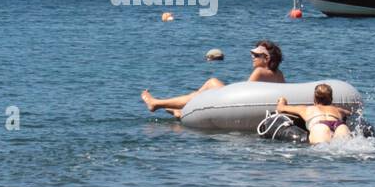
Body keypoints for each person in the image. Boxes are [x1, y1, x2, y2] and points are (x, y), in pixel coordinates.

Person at [142, 40, 285, 118]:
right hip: (255, 105)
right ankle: (181, 110)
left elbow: (245, 93)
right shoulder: (279, 74)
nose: (252, 57)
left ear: (266, 59)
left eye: (255, 55)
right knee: (211, 83)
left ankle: (157, 103)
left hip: (237, 103)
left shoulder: (259, 72)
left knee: (202, 91)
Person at [277, 83, 351, 145]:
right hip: (339, 126)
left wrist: (282, 100)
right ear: (331, 99)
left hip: (320, 127)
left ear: (314, 98)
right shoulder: (338, 110)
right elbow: (349, 113)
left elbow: (280, 108)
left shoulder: (306, 109)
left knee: (322, 150)